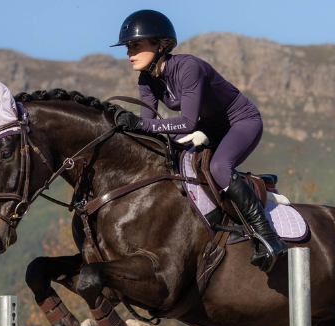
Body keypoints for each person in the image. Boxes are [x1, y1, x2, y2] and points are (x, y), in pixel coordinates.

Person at [111, 9, 288, 272]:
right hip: (209, 127)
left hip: (241, 121)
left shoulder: (188, 67)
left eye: (136, 45)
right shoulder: (146, 79)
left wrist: (142, 124)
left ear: (161, 45)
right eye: (127, 47)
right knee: (167, 156)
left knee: (219, 167)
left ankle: (268, 237)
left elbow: (187, 123)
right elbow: (146, 129)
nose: (129, 53)